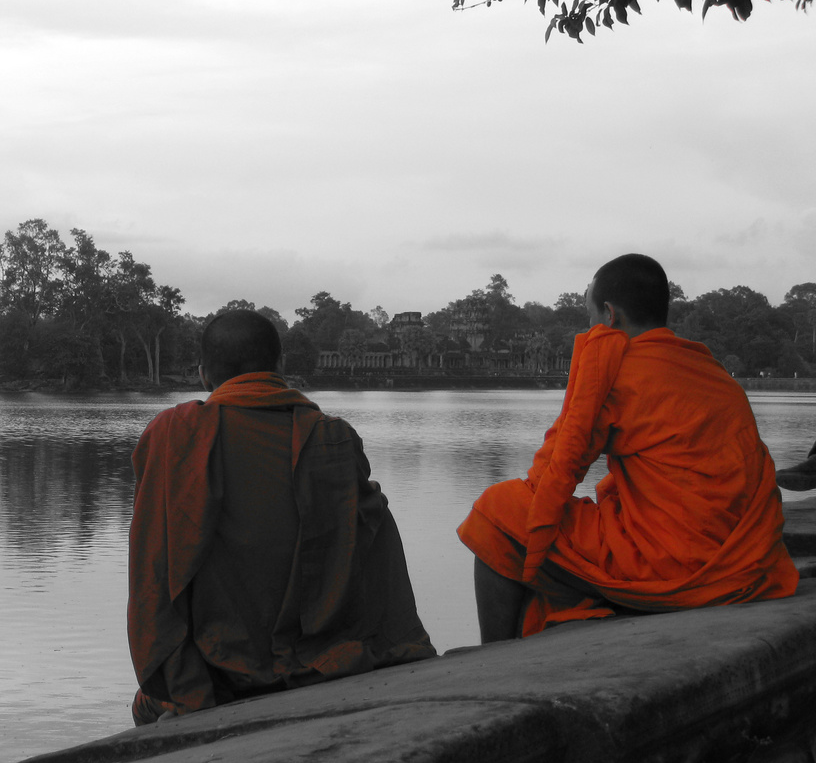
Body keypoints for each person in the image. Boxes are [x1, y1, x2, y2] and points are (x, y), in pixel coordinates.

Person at [458, 254, 797, 642]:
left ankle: (495, 658)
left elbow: (555, 469)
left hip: (669, 563)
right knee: (598, 509)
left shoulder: (614, 368)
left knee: (496, 513)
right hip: (744, 560)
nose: (589, 328)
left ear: (609, 314)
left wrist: (533, 515)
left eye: (589, 317)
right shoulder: (711, 370)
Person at [127, 309, 435, 725]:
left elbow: (153, 572)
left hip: (218, 676)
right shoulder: (333, 437)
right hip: (324, 662)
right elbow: (373, 555)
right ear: (281, 367)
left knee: (146, 706)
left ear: (203, 375)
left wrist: (183, 689)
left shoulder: (174, 436)